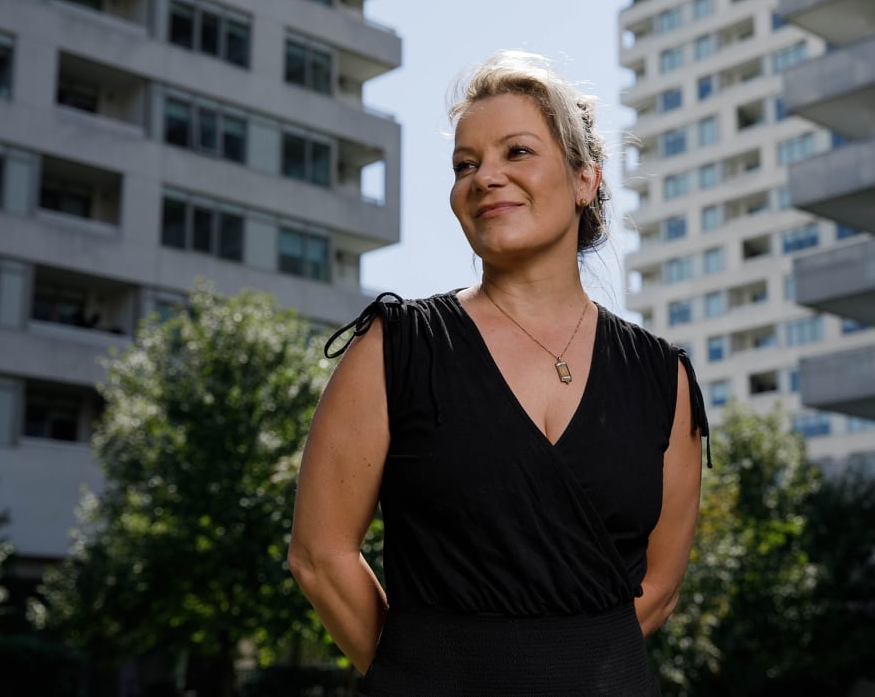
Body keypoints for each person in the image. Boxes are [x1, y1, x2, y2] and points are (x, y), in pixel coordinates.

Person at [288, 50, 710, 696]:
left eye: (516, 152)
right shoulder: (395, 347)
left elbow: (658, 589)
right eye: (465, 164)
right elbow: (320, 557)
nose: (484, 177)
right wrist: (424, 677)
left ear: (584, 181)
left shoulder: (663, 378)